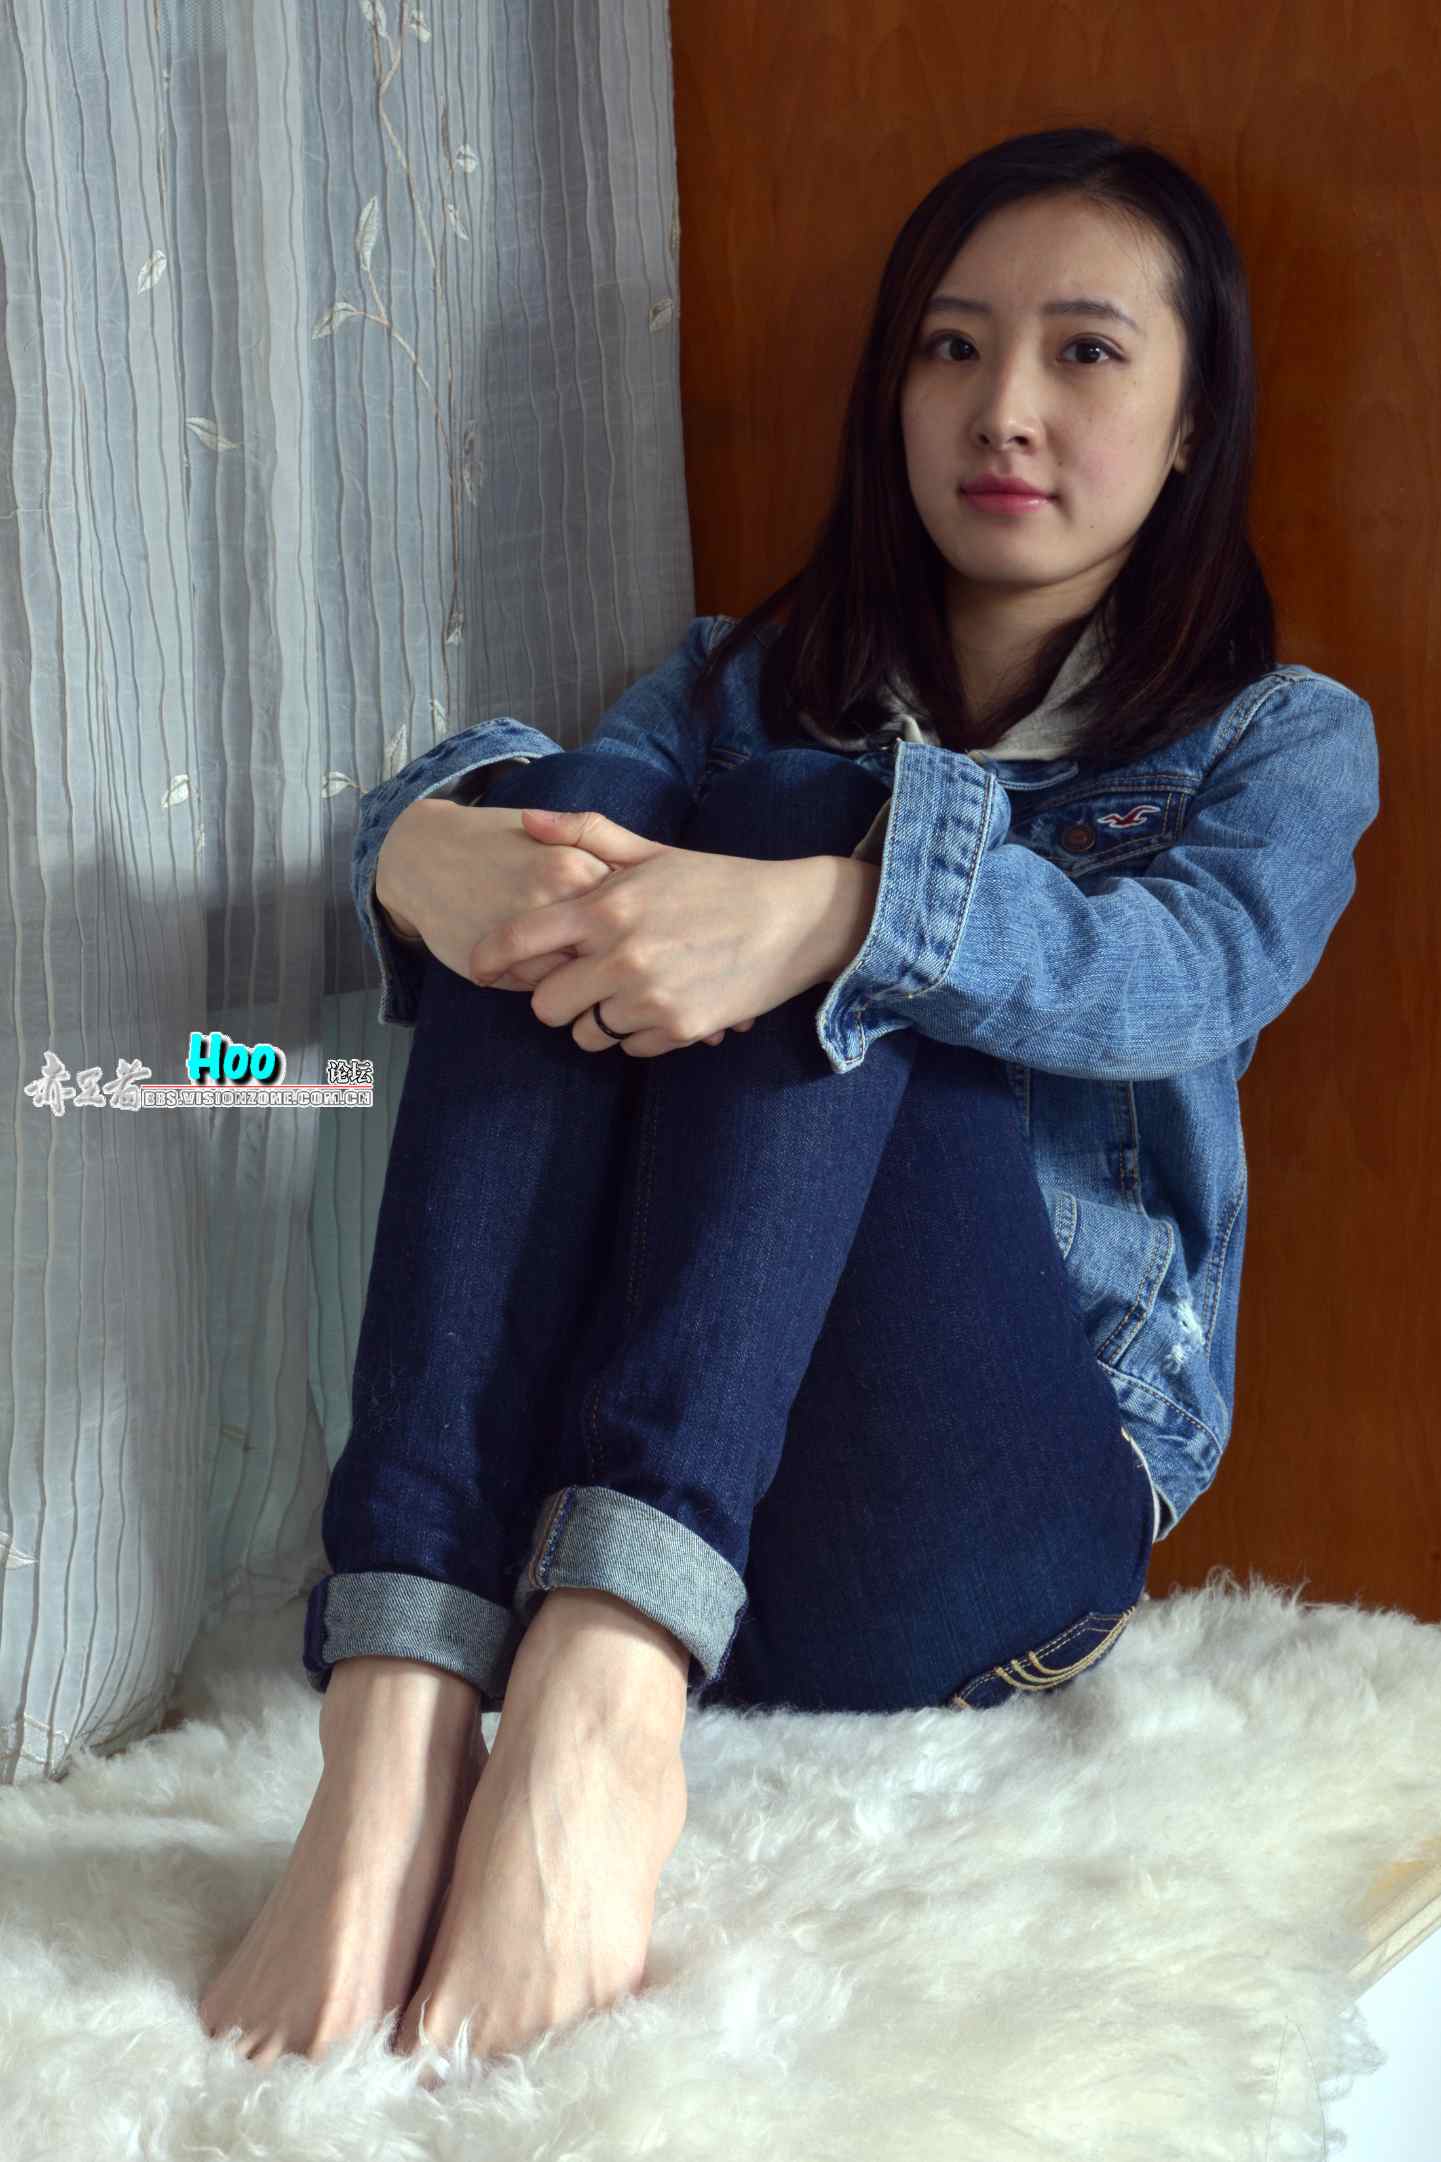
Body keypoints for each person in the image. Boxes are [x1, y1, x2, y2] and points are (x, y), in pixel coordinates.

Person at [198, 125, 1379, 2082]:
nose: (1002, 407)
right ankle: (397, 1713)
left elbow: (1178, 974)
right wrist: (414, 844)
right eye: (949, 346)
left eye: (1085, 352)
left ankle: (598, 1712)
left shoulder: (1273, 741)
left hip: (985, 1518)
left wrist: (838, 901)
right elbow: (542, 861)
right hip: (680, 1482)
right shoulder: (729, 684)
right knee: (567, 820)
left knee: (806, 816)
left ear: (1190, 424)